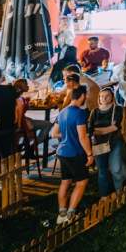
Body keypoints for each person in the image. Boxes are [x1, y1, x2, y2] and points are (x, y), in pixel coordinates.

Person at [52, 84, 92, 223]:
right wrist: (89, 154)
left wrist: (68, 135)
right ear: (82, 96)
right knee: (82, 181)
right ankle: (71, 213)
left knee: (65, 182)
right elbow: (83, 137)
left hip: (62, 152)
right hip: (75, 153)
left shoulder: (62, 112)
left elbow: (54, 133)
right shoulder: (80, 113)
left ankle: (61, 214)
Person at [88, 87, 126, 194]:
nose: (104, 98)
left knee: (116, 169)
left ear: (112, 97)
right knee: (102, 171)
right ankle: (104, 196)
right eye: (101, 96)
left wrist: (97, 130)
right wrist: (105, 129)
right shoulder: (94, 112)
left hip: (114, 142)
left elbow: (114, 128)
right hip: (99, 145)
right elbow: (89, 130)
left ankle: (119, 192)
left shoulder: (117, 109)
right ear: (99, 98)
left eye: (107, 96)